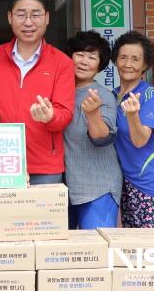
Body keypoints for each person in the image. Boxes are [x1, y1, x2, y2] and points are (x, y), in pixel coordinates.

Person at [0, 0, 75, 184]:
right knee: (2, 216)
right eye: (21, 15)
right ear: (9, 17)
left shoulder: (62, 63)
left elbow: (65, 113)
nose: (28, 22)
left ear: (47, 18)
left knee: (42, 216)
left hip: (44, 165)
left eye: (36, 15)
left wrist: (50, 117)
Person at [112, 30, 154, 232]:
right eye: (123, 57)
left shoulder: (149, 94)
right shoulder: (113, 95)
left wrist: (132, 116)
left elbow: (140, 140)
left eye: (135, 59)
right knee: (134, 242)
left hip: (148, 178)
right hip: (126, 178)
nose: (128, 64)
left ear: (145, 65)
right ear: (115, 61)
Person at [62, 31, 122, 229]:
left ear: (100, 64)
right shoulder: (59, 93)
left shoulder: (102, 95)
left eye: (92, 57)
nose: (84, 61)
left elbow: (102, 137)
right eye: (79, 54)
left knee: (98, 251)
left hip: (98, 186)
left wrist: (92, 113)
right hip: (65, 187)